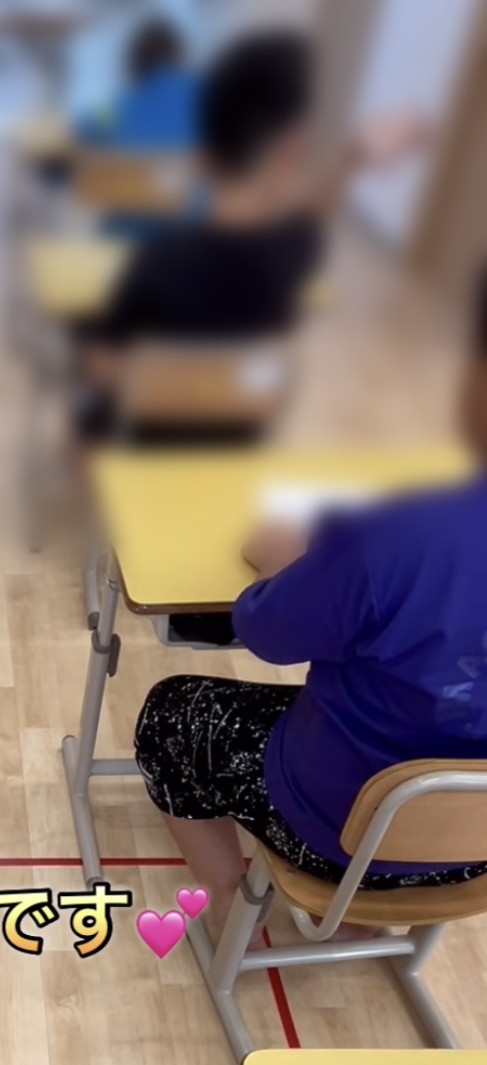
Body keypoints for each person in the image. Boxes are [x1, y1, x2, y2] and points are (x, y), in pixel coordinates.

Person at [133, 272, 487, 944]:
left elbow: (265, 633)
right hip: (476, 853)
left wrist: (282, 557)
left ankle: (232, 903)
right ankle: (358, 921)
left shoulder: (402, 527)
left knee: (171, 712)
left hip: (337, 828)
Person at [74, 29, 425, 444]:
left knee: (92, 372)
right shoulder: (289, 257)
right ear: (292, 151)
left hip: (152, 461)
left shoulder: (156, 263)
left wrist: (96, 415)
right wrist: (352, 158)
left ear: (201, 159)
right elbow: (313, 219)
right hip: (241, 462)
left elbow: (101, 369)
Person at [78, 16, 198, 153]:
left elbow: (84, 127)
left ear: (134, 62)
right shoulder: (201, 100)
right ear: (178, 56)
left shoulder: (119, 108)